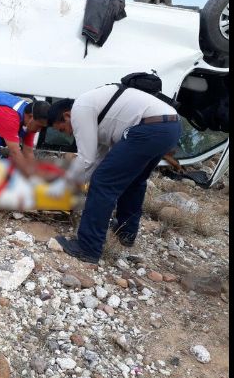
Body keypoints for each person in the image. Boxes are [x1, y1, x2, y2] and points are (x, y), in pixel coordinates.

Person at [44, 85, 182, 264]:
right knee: (134, 180)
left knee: (102, 182)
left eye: (62, 129)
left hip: (149, 128)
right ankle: (126, 232)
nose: (68, 133)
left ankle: (88, 247)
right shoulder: (96, 112)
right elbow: (95, 159)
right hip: (170, 127)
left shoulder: (80, 108)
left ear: (67, 115)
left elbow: (85, 160)